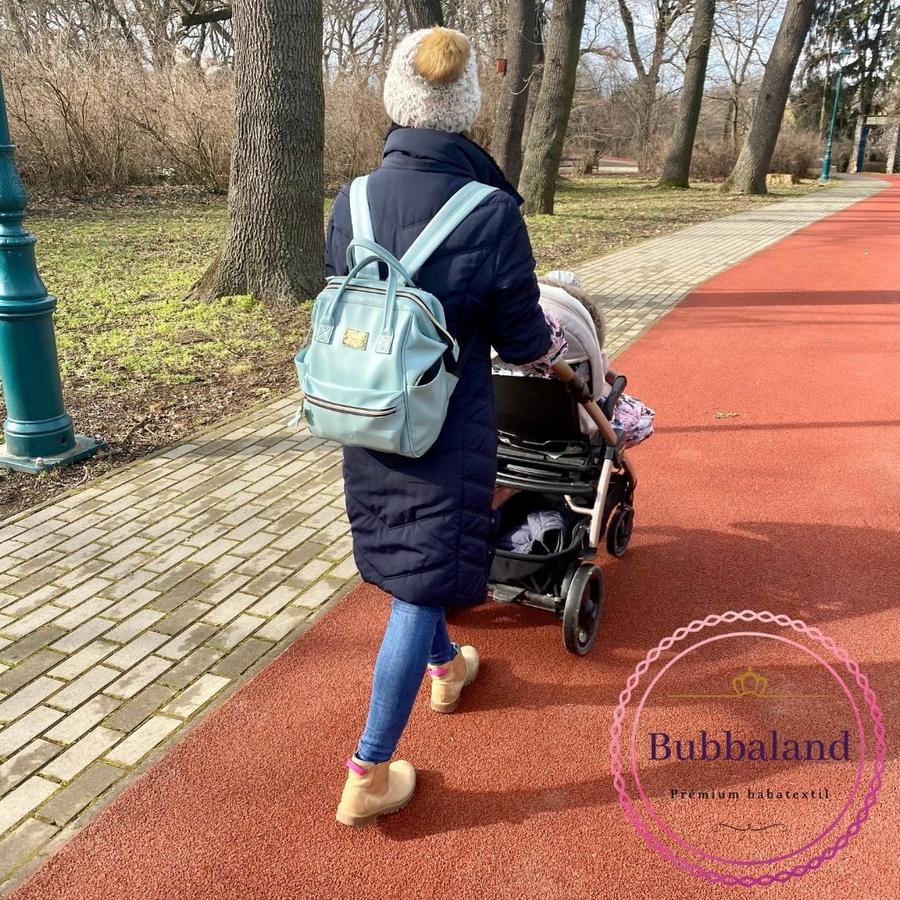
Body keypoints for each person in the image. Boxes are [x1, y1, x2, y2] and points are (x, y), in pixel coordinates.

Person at [324, 26, 564, 827]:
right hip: (446, 422)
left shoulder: (353, 198)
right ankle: (368, 771)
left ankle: (447, 668)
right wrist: (549, 352)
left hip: (366, 409)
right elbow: (524, 341)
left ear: (398, 99)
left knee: (410, 559)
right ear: (466, 108)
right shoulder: (489, 210)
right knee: (420, 581)